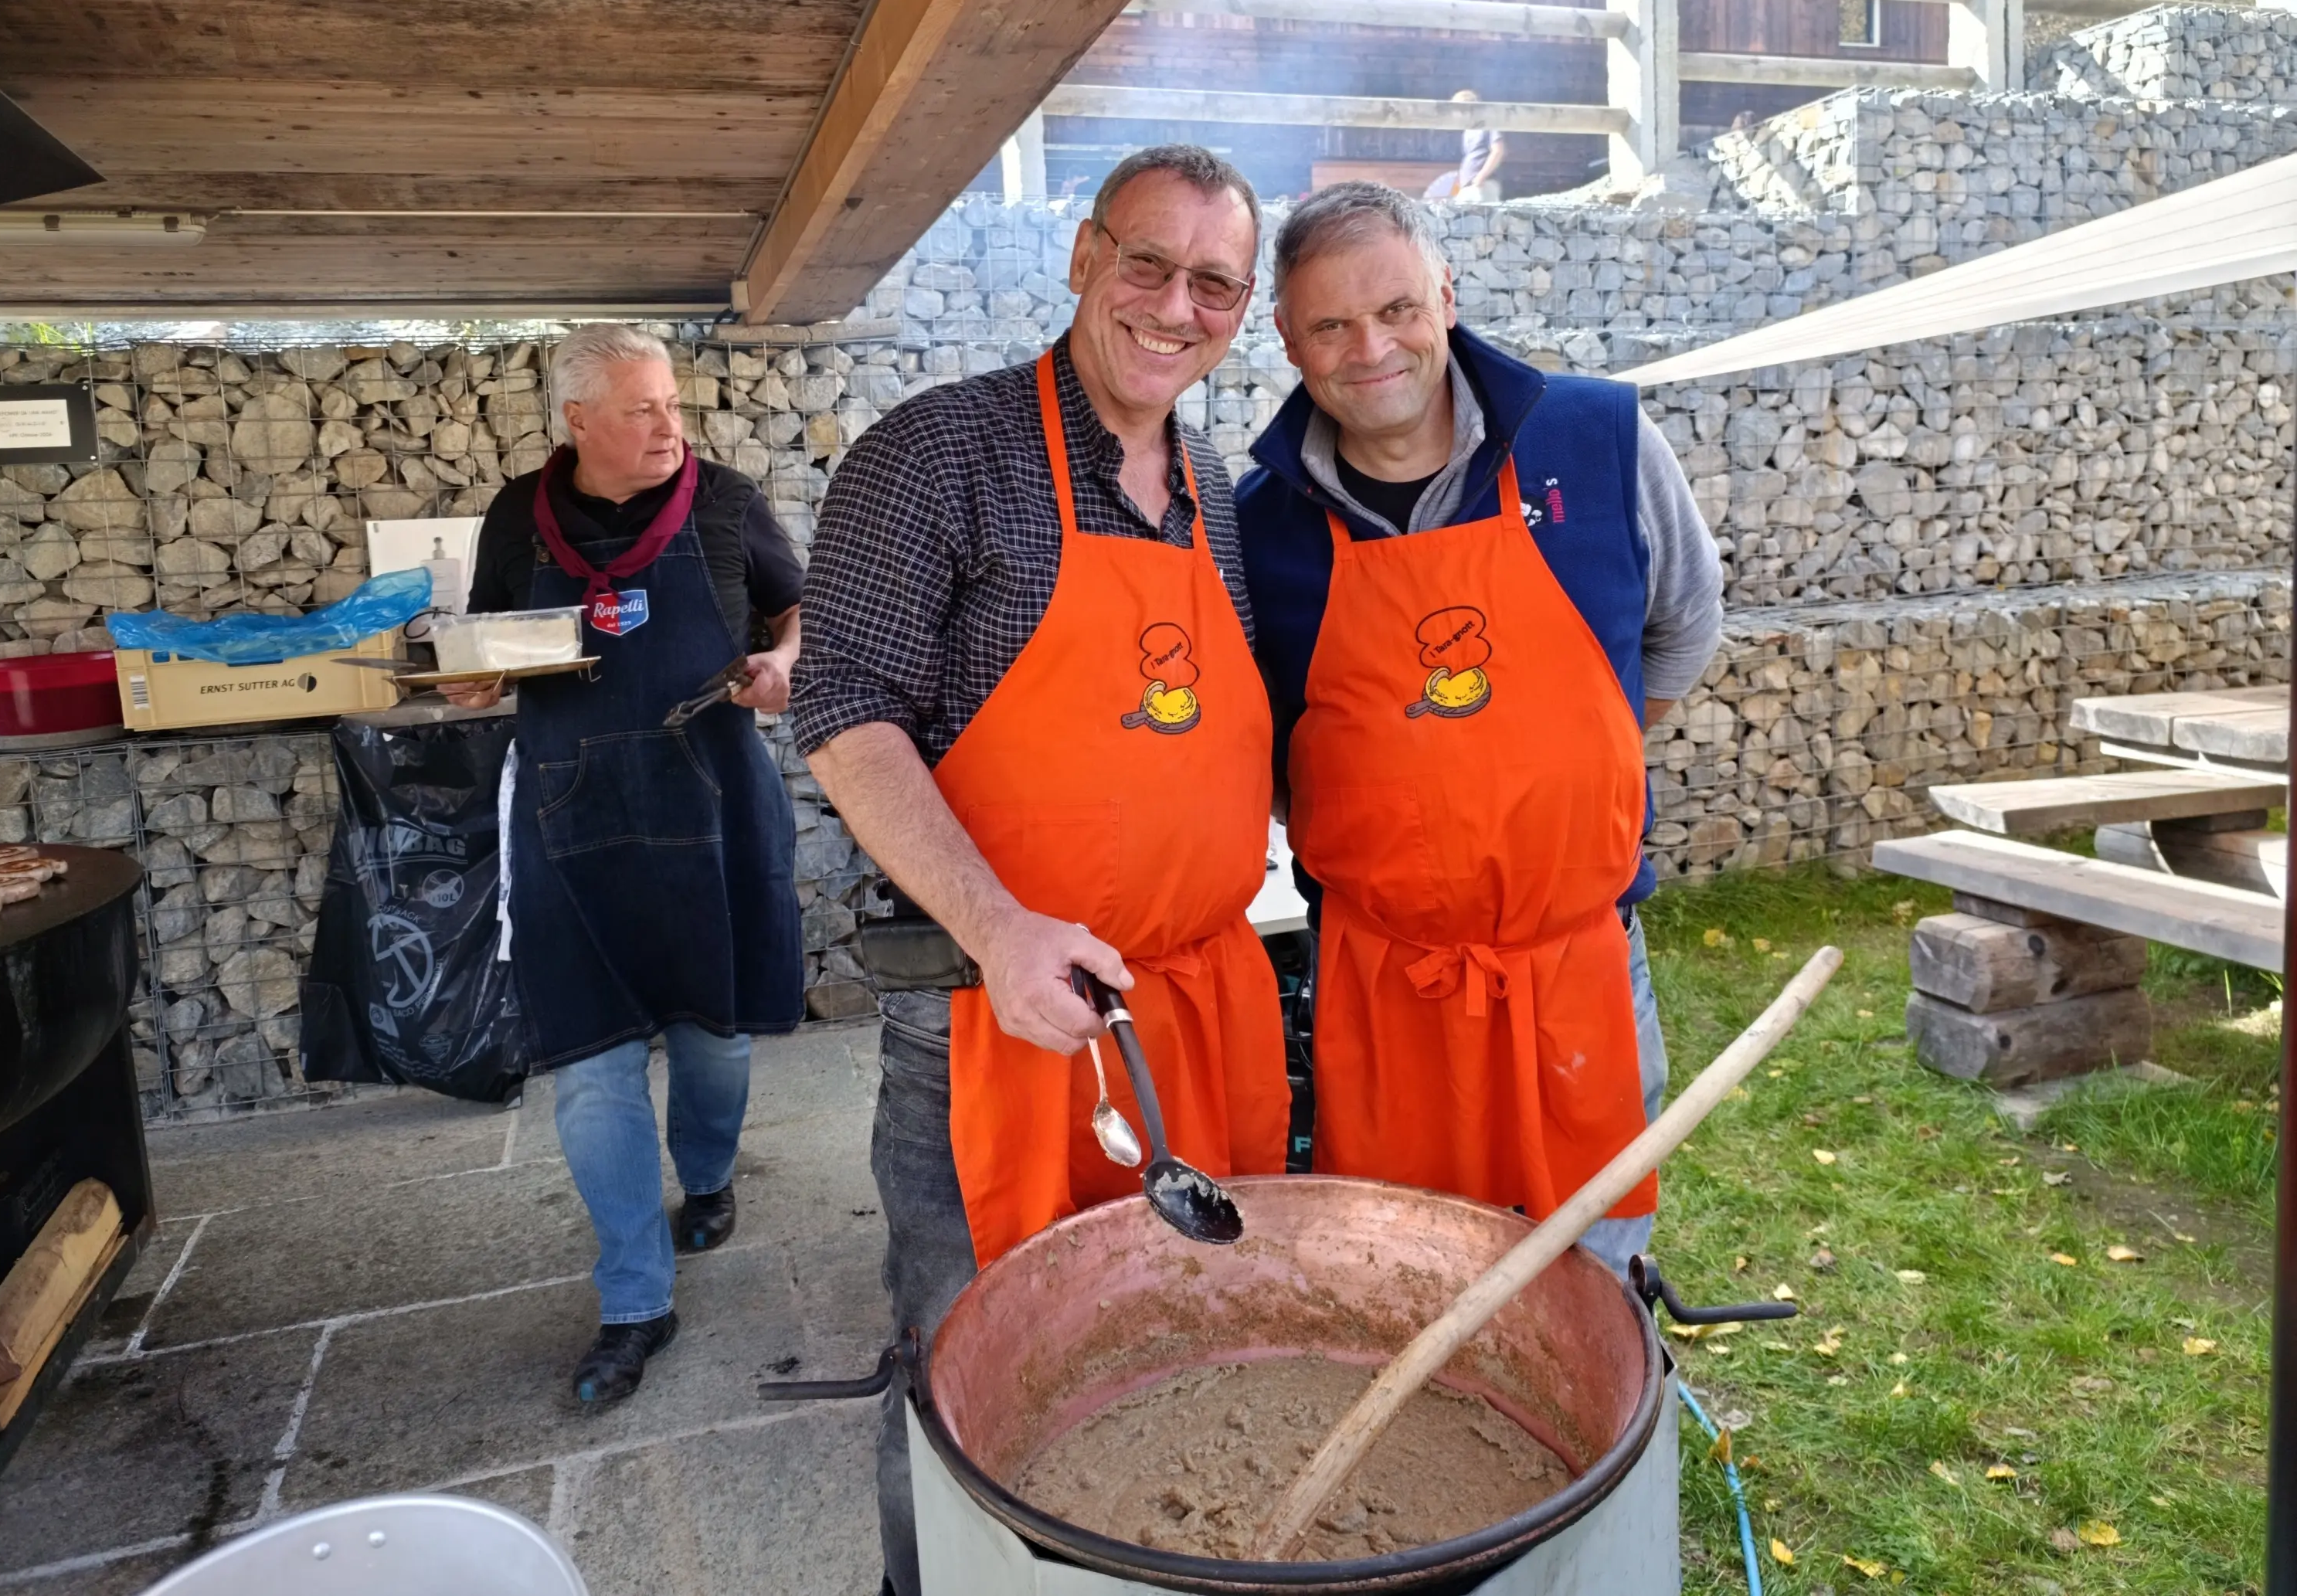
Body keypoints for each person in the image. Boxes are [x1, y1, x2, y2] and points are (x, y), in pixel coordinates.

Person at [793, 144, 1289, 1596]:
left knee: (1172, 1344)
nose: (1176, 305)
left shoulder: (1210, 477)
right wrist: (1002, 927)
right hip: (988, 1019)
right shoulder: (936, 452)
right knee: (975, 1366)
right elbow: (845, 712)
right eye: (1149, 263)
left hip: (1193, 1009)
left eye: (1216, 281)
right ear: (1082, 256)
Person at [1235, 181, 1722, 1275]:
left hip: (1577, 971)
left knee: (1588, 1277)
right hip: (1382, 986)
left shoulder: (1597, 440)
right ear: (1287, 337)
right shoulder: (1258, 526)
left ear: (1446, 297)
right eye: (1332, 323)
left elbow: (1685, 624)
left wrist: (1559, 763)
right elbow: (1263, 746)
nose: (1372, 348)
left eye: (1398, 308)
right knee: (1404, 1271)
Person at [441, 324, 806, 1405]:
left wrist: (780, 664)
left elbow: (795, 609)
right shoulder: (519, 516)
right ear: (579, 422)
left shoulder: (729, 500)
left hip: (712, 795)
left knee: (714, 1039)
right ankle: (633, 1303)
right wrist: (471, 682)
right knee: (591, 1066)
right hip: (570, 806)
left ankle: (707, 1175)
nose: (667, 423)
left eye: (671, 403)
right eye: (641, 407)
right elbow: (489, 644)